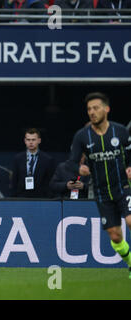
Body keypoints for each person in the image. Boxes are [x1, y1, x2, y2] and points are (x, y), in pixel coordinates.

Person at [65, 92, 131, 278]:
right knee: (115, 236)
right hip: (102, 193)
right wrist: (80, 168)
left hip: (123, 188)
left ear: (106, 109)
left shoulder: (120, 131)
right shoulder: (82, 136)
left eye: (95, 108)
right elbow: (71, 162)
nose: (92, 112)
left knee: (130, 221)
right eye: (89, 109)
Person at [11, 128, 55, 198]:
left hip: (41, 199)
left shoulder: (48, 160)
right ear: (25, 141)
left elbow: (50, 182)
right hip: (21, 198)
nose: (31, 142)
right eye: (28, 140)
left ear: (39, 141)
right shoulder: (18, 158)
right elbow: (14, 181)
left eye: (33, 140)